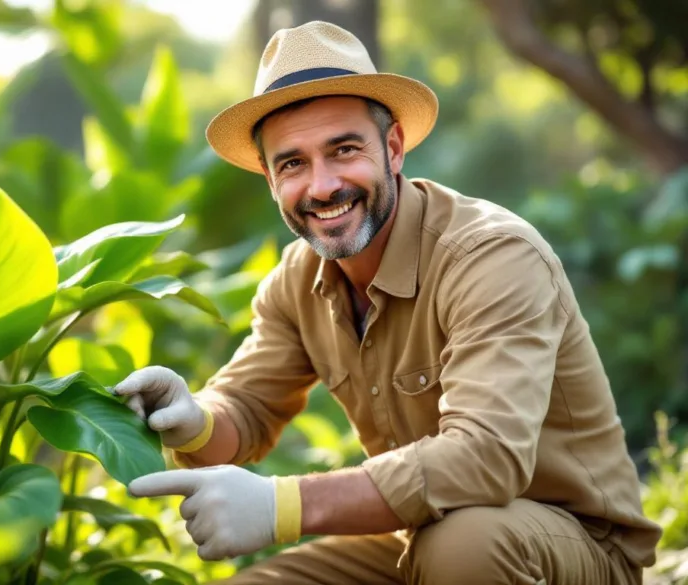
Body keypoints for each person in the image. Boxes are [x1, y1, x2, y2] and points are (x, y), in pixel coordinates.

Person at [110, 20, 664, 585]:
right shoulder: (295, 282)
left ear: (393, 147)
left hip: (570, 546)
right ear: (271, 181)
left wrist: (282, 506)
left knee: (463, 546)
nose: (322, 186)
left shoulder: (492, 256)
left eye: (343, 150)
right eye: (292, 163)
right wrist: (192, 420)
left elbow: (487, 459)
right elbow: (246, 410)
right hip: (420, 533)